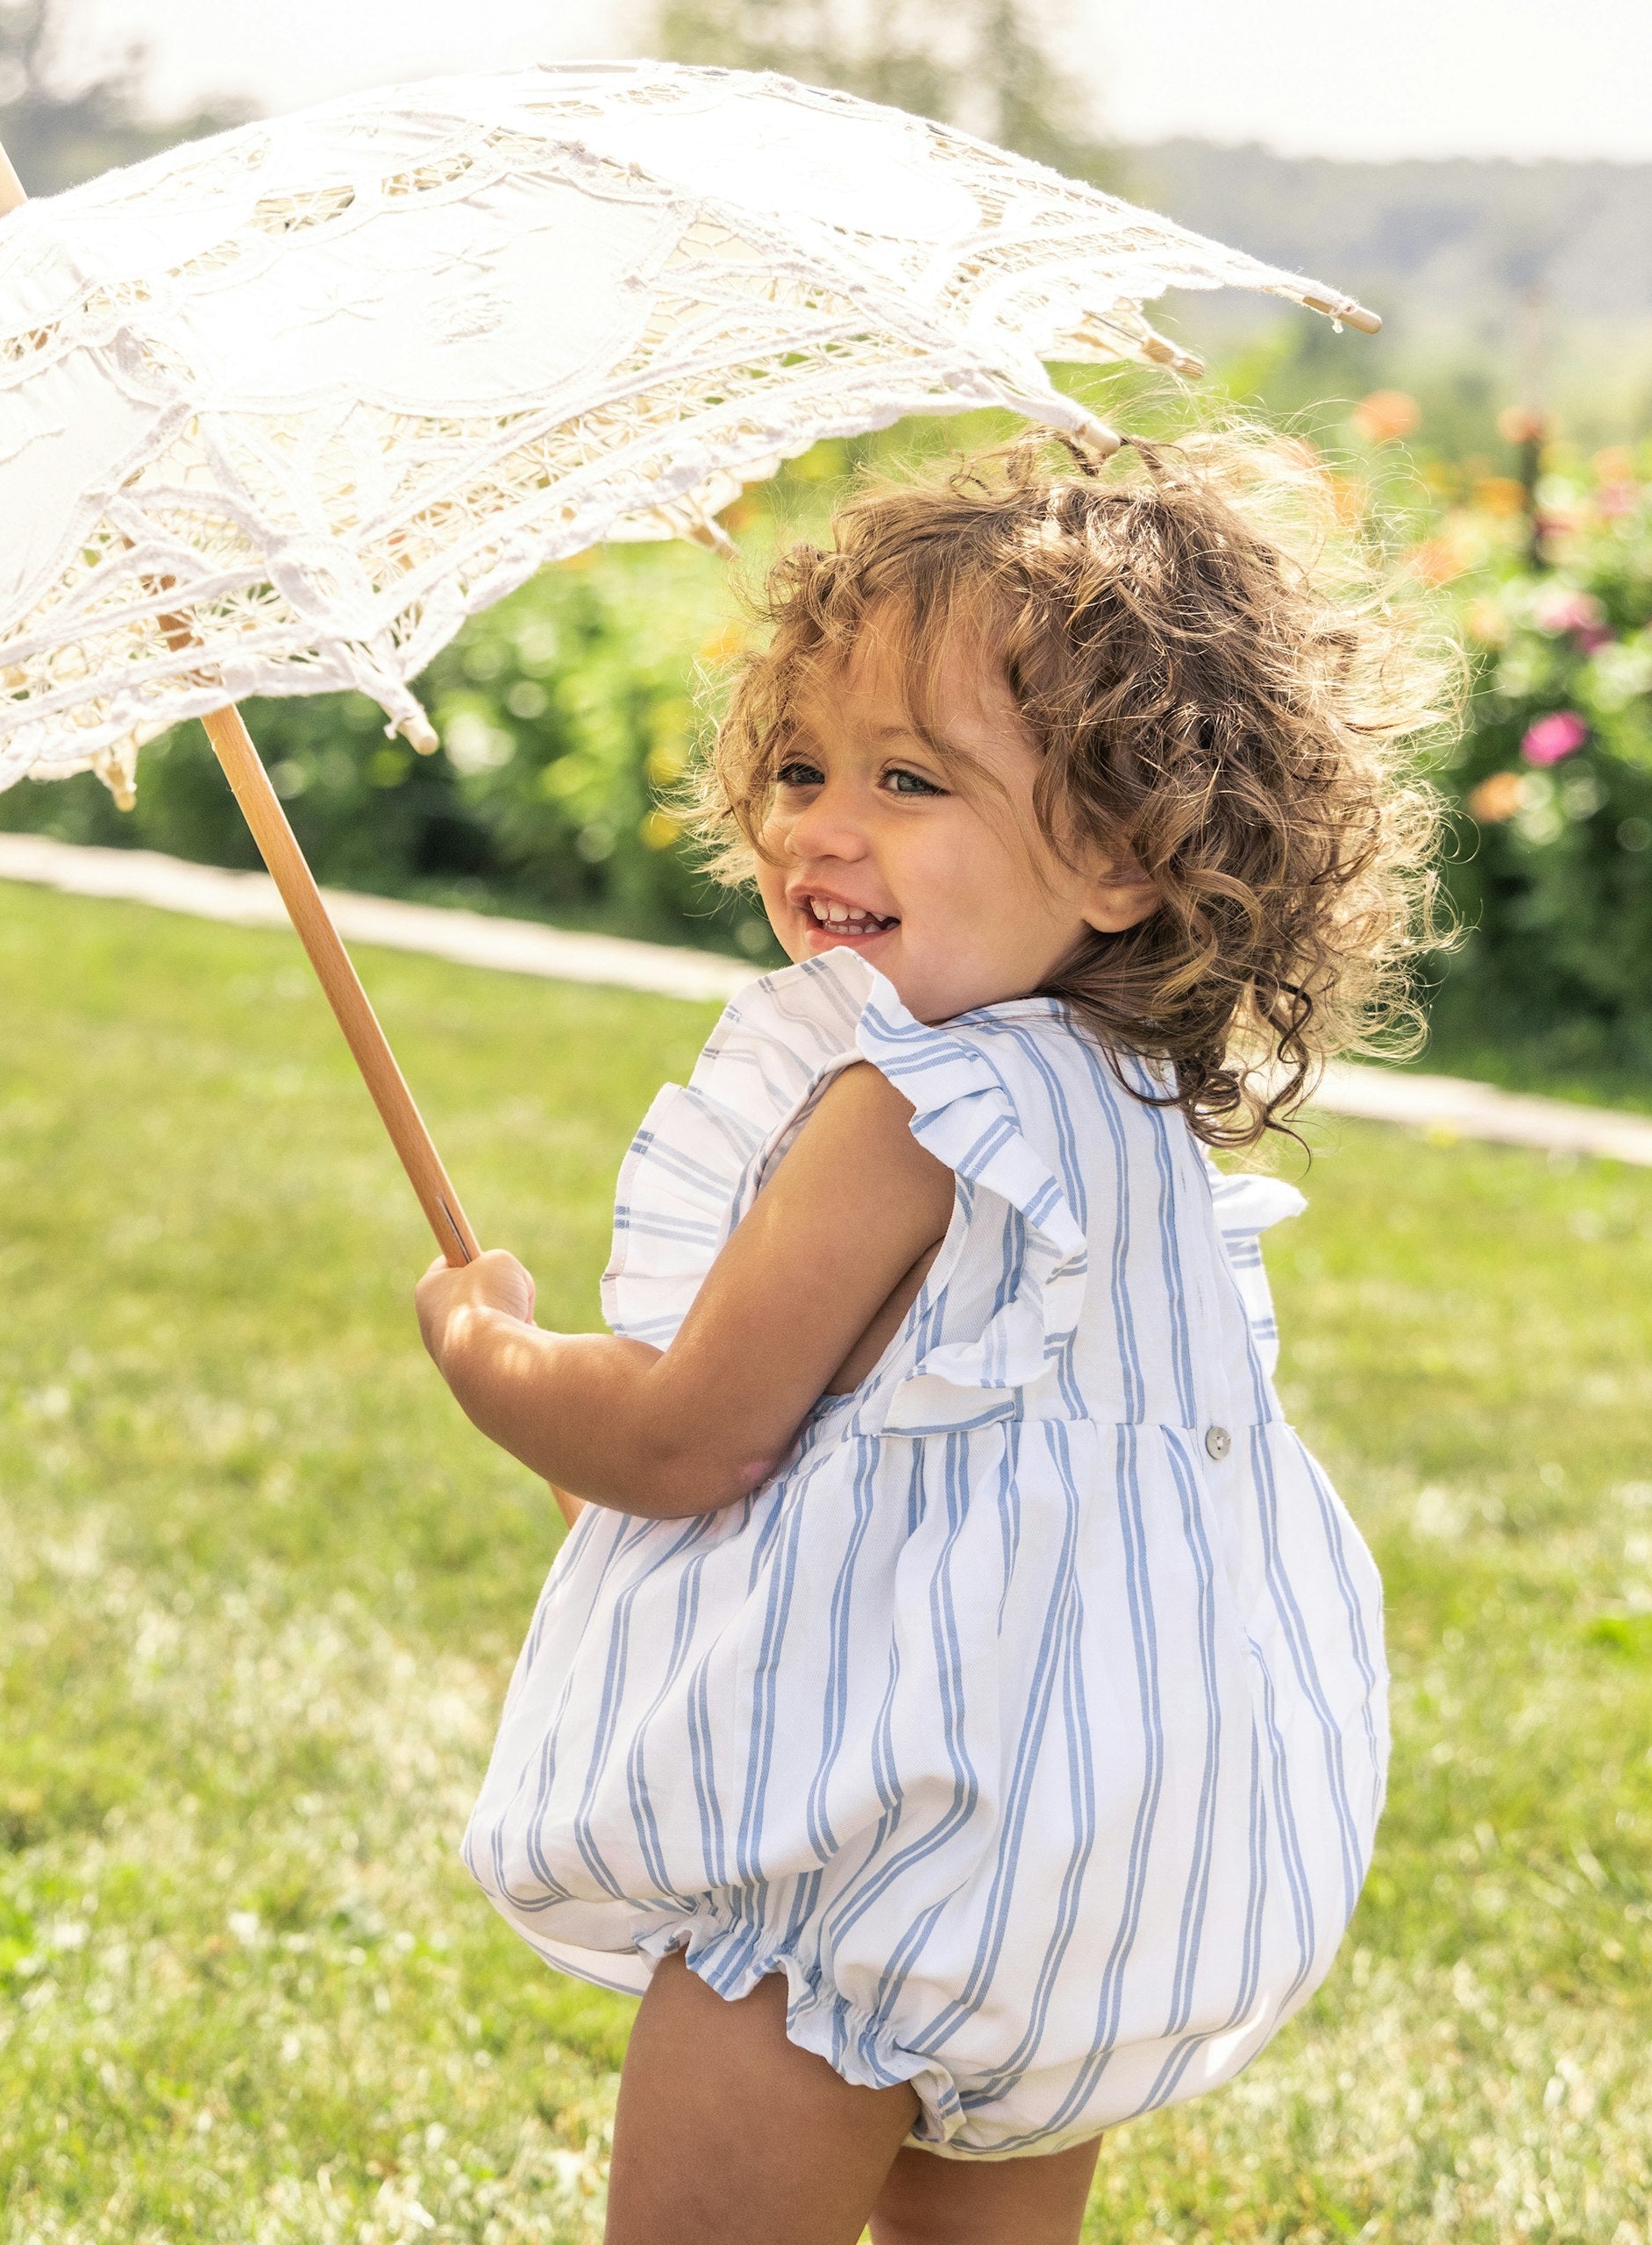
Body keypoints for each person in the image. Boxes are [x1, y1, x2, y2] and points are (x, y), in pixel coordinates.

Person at [415, 426, 1447, 2245]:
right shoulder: (1127, 1112)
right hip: (1080, 1875)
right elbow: (894, 1460)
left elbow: (683, 1438)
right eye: (801, 763)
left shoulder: (896, 1112)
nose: (823, 822)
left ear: (1129, 856)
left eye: (911, 776)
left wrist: (489, 1348)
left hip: (860, 1863)